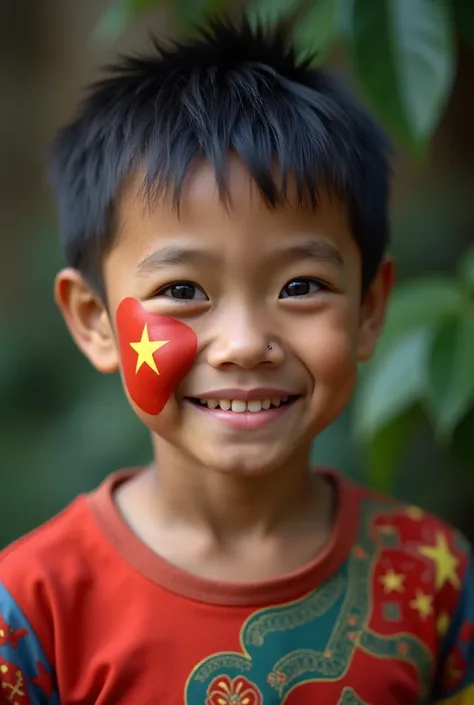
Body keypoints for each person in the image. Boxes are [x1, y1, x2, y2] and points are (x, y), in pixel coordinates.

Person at [0, 17, 472, 705]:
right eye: (183, 291)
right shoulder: (30, 611)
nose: (246, 342)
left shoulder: (435, 581)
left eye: (301, 286)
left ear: (370, 310)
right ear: (94, 321)